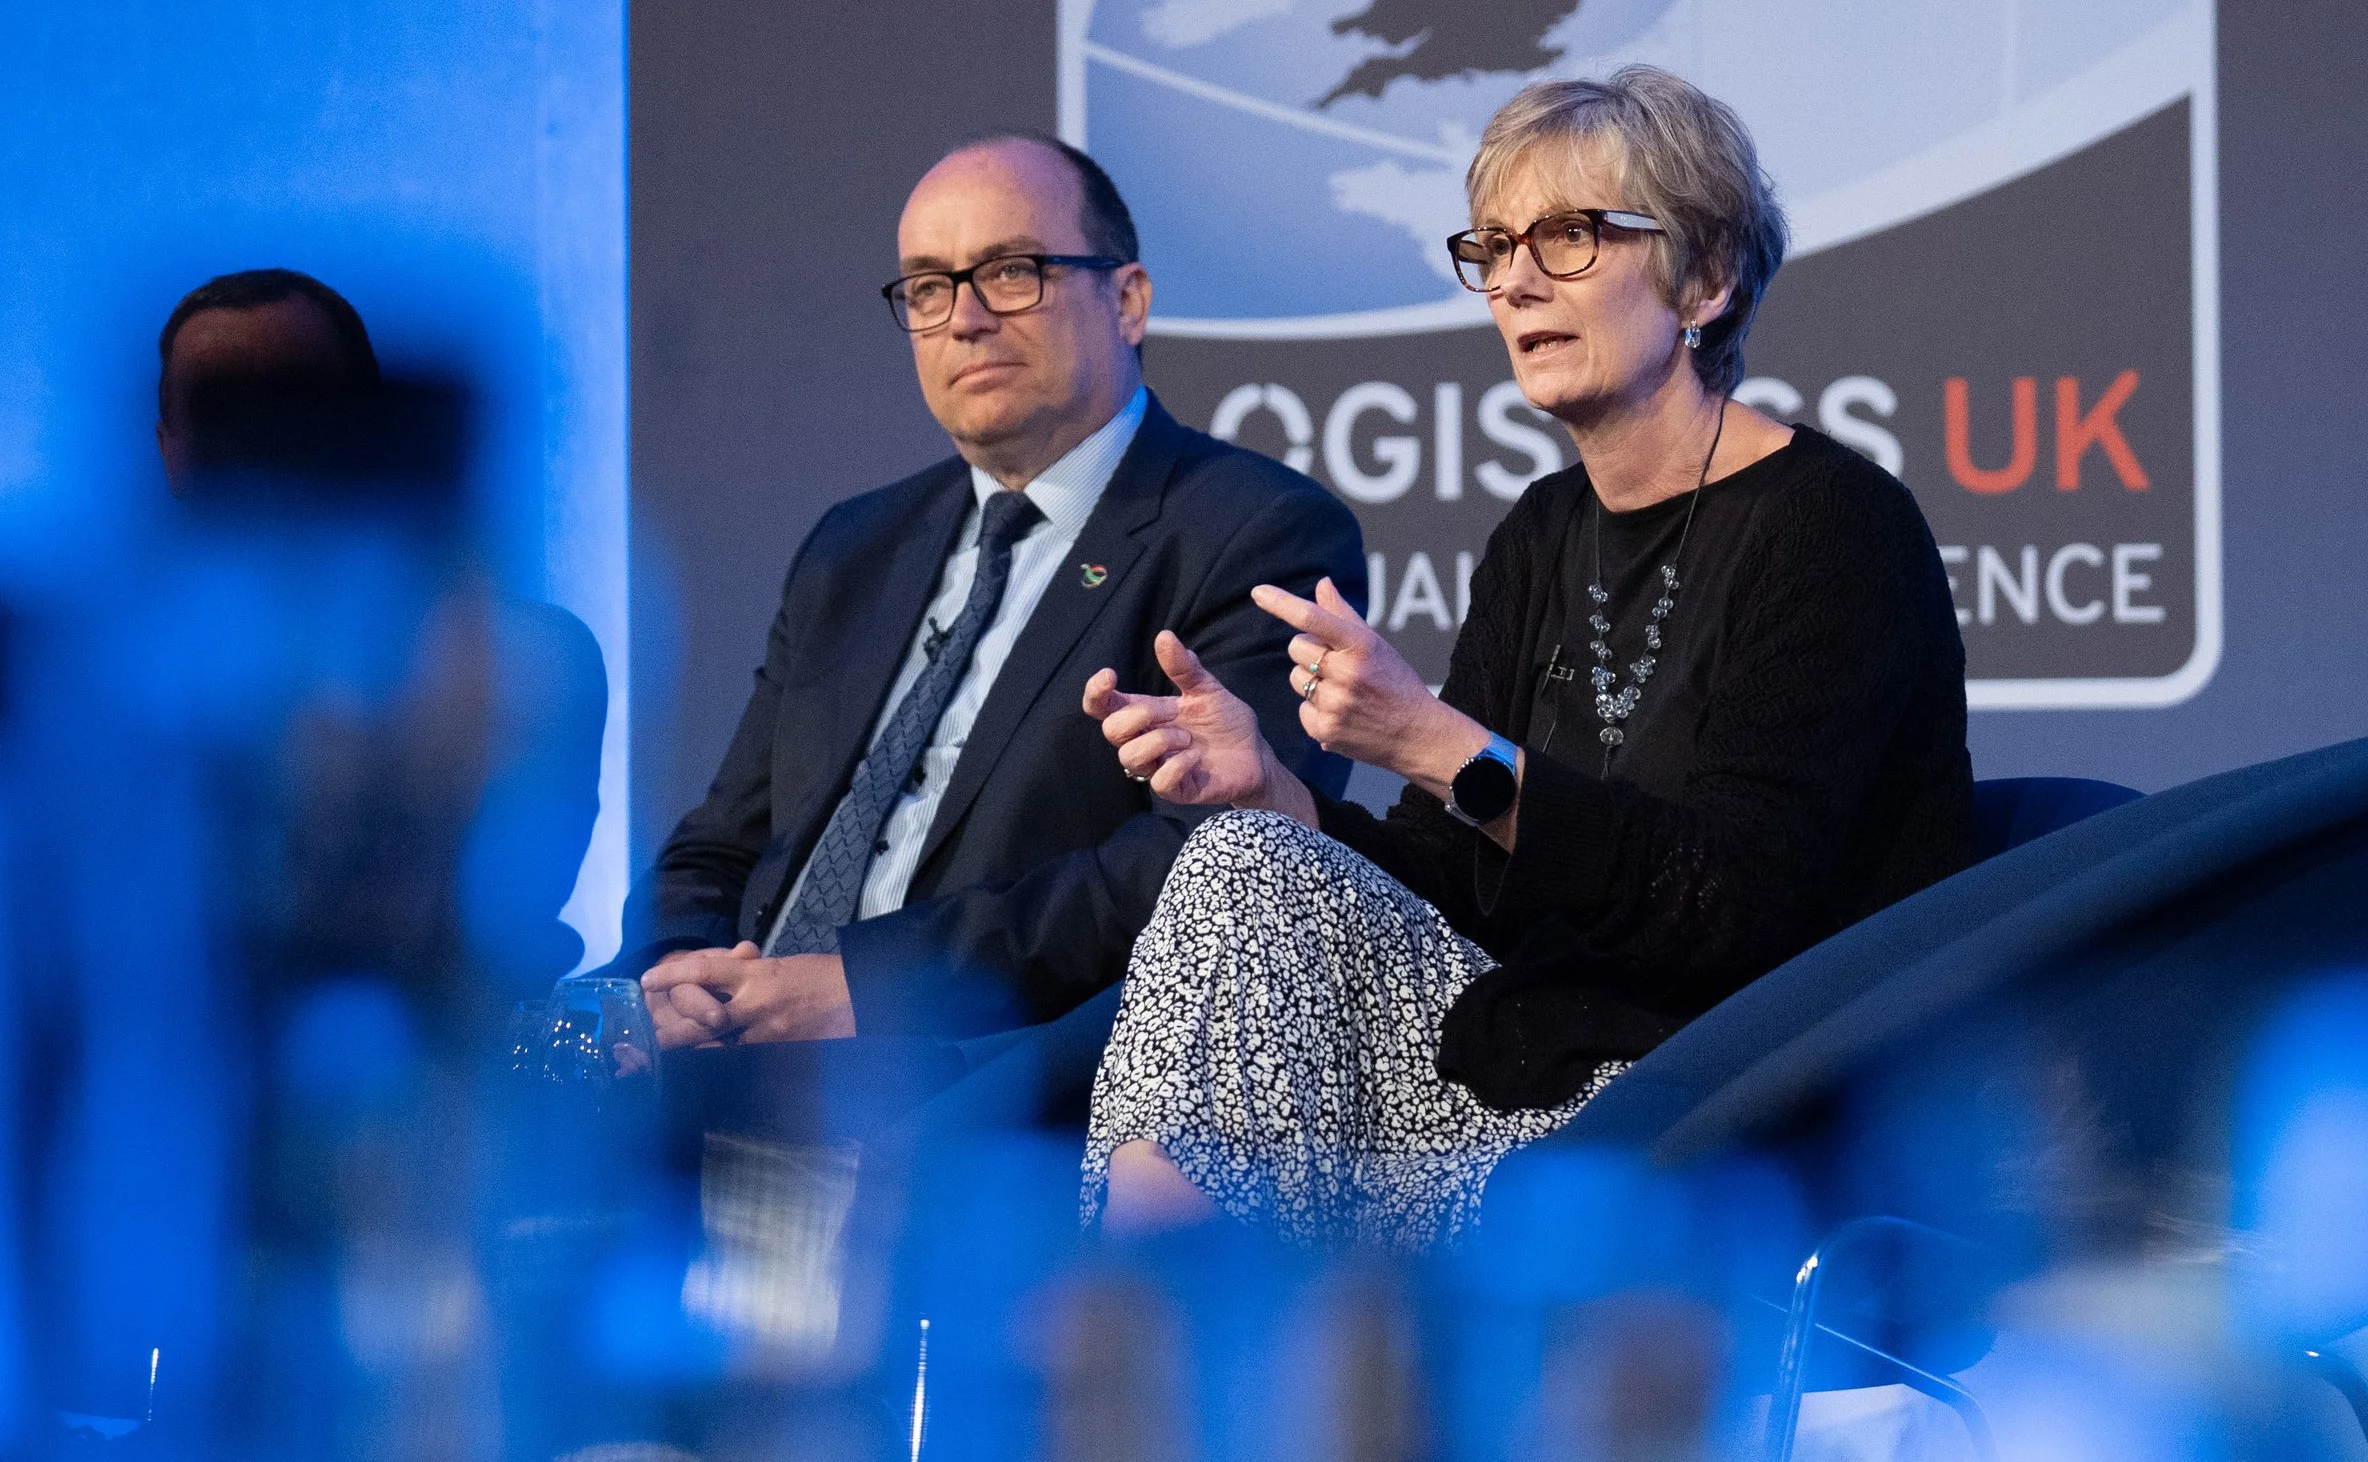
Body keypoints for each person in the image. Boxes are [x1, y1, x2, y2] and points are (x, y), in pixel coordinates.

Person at [1081, 67, 1973, 1247]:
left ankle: (1137, 1361)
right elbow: (1445, 885)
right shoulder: (1541, 535)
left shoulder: (1833, 527)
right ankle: (1151, 1352)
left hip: (1715, 1116)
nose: (1511, 282)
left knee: (1247, 997)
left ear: (1704, 278)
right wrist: (1275, 788)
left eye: (1568, 237)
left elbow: (1736, 910)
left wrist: (1440, 742)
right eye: (1496, 246)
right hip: (1505, 1068)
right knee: (1244, 854)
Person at [624, 134, 1366, 1055]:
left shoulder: (1254, 532)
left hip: (994, 1085)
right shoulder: (853, 547)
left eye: (1012, 271)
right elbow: (721, 842)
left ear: (1127, 300)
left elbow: (1203, 865)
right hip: (738, 1068)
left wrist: (870, 990)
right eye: (928, 288)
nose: (965, 319)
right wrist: (672, 979)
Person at [155, 268, 608, 988]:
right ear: (169, 448)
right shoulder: (95, 692)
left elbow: (489, 921)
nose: (272, 445)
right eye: (227, 413)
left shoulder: (525, 664)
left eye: (300, 402)